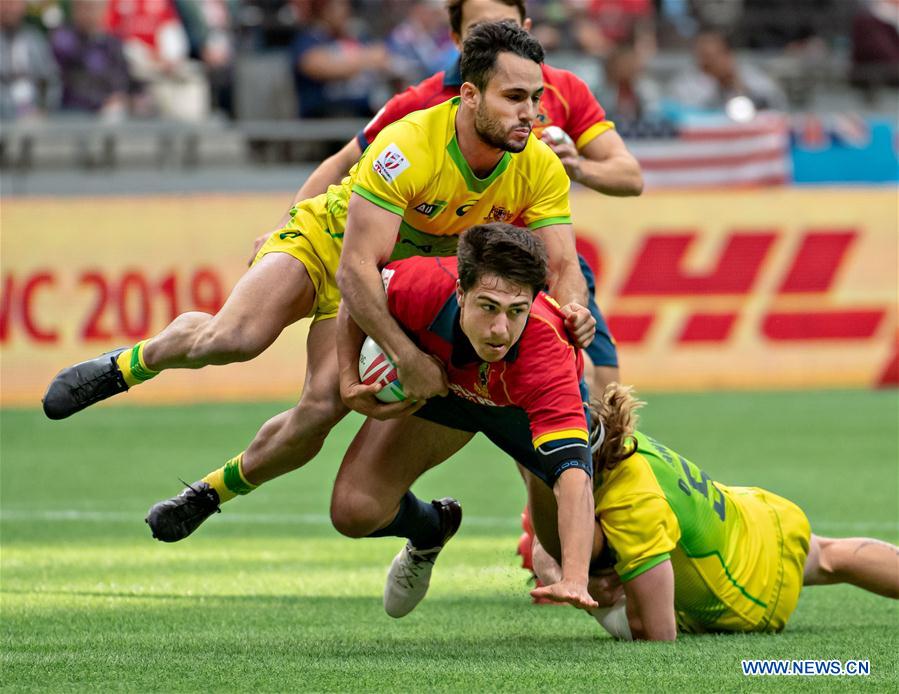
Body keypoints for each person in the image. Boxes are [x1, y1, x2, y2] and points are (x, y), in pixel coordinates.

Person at [42, 22, 594, 543]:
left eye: (535, 98)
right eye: (514, 98)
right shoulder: (410, 145)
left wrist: (574, 310)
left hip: (388, 284)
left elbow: (565, 267)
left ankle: (210, 492)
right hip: (330, 243)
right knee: (235, 339)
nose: (530, 113)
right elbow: (354, 266)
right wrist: (405, 356)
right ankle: (129, 365)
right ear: (470, 95)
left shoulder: (539, 166)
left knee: (322, 408)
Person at [265, 0, 644, 400]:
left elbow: (630, 176)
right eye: (481, 28)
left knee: (600, 384)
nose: (528, 110)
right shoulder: (423, 102)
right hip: (473, 263)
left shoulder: (564, 89)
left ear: (526, 27)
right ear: (459, 39)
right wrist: (284, 227)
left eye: (506, 25)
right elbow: (343, 161)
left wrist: (577, 167)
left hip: (543, 250)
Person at [331, 223, 598, 617]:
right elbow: (357, 293)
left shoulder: (548, 350)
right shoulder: (420, 286)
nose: (500, 330)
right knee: (353, 511)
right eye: (488, 307)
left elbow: (573, 472)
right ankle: (431, 528)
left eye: (517, 311)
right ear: (460, 291)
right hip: (448, 394)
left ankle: (574, 539)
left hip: (520, 415)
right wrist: (349, 378)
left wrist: (575, 578)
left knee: (580, 552)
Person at [527, 384, 899, 640]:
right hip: (759, 518)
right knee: (830, 556)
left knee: (600, 593)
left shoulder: (632, 506)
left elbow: (655, 632)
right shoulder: (625, 444)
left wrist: (576, 585)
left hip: (750, 596)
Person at [668, 28, 788, 113]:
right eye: (706, 56)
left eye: (716, 54)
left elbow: (775, 101)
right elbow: (688, 114)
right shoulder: (685, 83)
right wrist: (719, 87)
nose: (712, 61)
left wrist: (739, 85)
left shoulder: (747, 73)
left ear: (727, 53)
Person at [50, 0, 133, 119]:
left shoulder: (113, 43)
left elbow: (123, 78)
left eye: (94, 8)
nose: (89, 13)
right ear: (75, 10)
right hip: (74, 112)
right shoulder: (63, 41)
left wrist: (123, 97)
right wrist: (103, 102)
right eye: (85, 7)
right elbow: (72, 84)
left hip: (113, 111)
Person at [0, 0, 61, 121]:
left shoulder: (35, 39)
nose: (10, 8)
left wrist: (44, 109)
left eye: (14, 3)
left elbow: (51, 78)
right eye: (5, 3)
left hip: (35, 116)